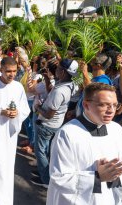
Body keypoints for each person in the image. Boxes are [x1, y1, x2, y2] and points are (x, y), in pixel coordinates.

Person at [47, 83, 122, 205]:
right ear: (86, 105)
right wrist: (98, 177)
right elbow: (59, 177)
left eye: (115, 105)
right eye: (103, 105)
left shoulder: (117, 130)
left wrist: (114, 175)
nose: (111, 110)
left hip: (109, 198)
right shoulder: (68, 133)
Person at [0, 57, 30, 205]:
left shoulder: (18, 87)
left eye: (14, 71)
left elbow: (25, 109)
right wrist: (0, 113)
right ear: (0, 69)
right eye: (8, 71)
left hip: (10, 133)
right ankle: (2, 199)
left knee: (7, 165)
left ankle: (3, 191)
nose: (12, 74)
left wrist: (17, 114)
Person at [31, 58, 78, 188]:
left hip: (47, 124)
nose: (55, 70)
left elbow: (49, 114)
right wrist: (47, 79)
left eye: (58, 69)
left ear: (62, 72)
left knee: (40, 151)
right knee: (47, 151)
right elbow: (52, 89)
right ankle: (44, 172)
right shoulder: (67, 84)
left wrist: (38, 107)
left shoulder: (60, 91)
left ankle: (46, 180)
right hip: (55, 124)